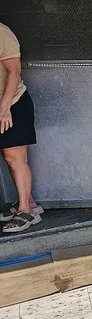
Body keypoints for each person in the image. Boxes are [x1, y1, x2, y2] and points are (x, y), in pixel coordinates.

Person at [0, 23, 42, 233]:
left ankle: (26, 212)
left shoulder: (2, 33)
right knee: (8, 158)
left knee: (16, 158)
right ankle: (30, 202)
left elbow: (14, 70)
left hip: (12, 104)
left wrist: (5, 107)